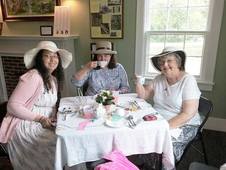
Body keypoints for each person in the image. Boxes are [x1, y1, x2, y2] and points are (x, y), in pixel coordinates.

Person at [0, 41, 72, 169]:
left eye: (55, 56)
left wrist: (54, 118)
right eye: (47, 56)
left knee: (67, 135)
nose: (52, 59)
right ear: (39, 58)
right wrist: (40, 118)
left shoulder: (52, 79)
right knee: (58, 142)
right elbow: (12, 106)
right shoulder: (33, 76)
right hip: (26, 124)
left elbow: (51, 106)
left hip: (44, 122)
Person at [135, 47, 201, 161]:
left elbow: (187, 114)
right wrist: (138, 83)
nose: (165, 65)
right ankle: (147, 162)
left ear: (178, 62)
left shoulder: (188, 80)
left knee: (163, 144)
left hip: (184, 124)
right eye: (161, 62)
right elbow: (144, 95)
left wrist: (163, 127)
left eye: (169, 61)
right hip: (159, 119)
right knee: (140, 131)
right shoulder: (158, 79)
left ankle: (161, 165)